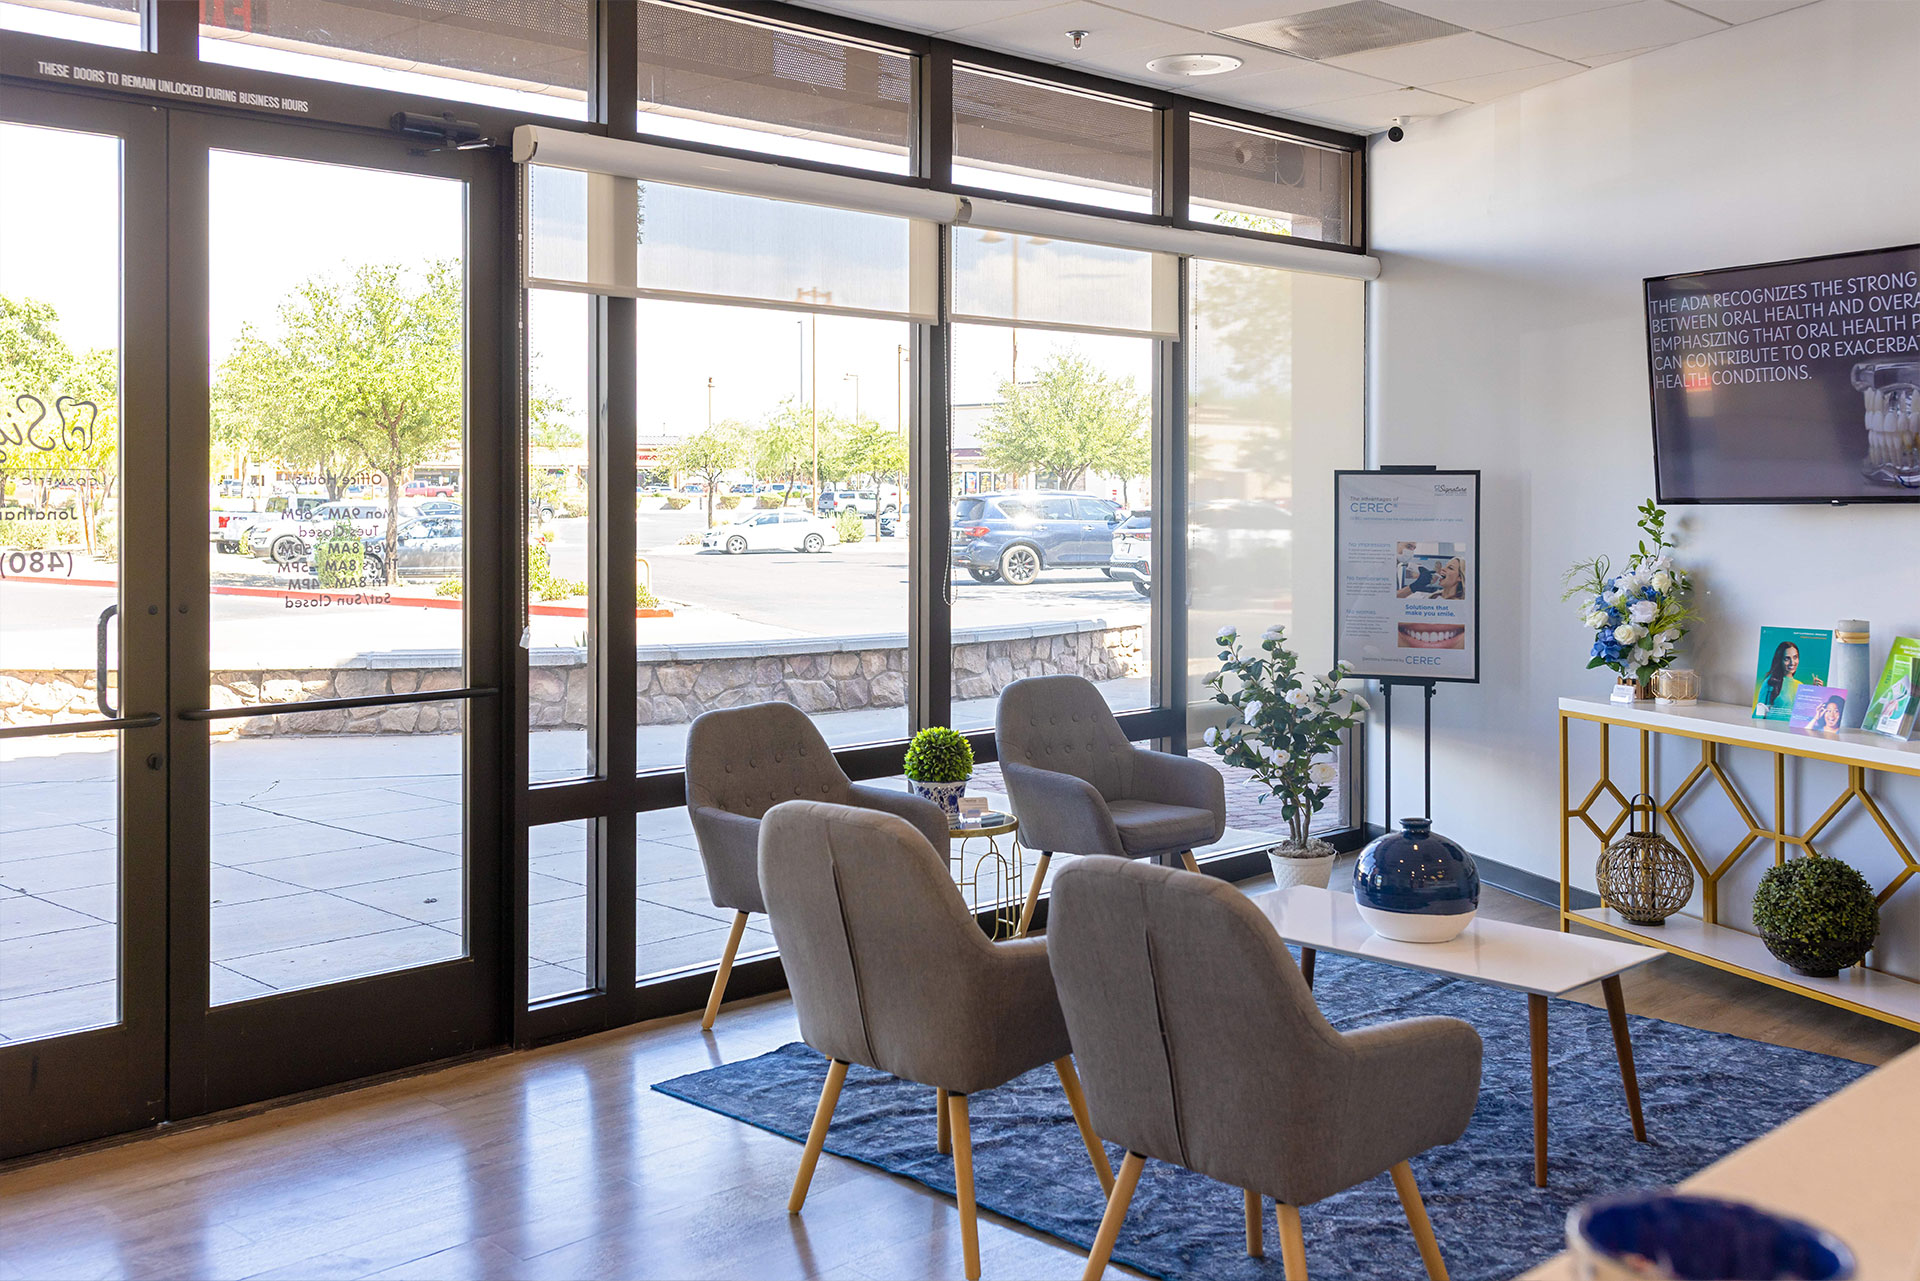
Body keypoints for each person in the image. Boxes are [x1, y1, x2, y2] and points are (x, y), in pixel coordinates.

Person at [1755, 641, 1801, 717]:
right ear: (1780, 660)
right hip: (1770, 727)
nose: (1792, 662)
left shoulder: (1800, 685)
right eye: (1787, 659)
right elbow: (1759, 713)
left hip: (1790, 729)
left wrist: (1815, 690)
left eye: (1795, 657)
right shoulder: (1770, 682)